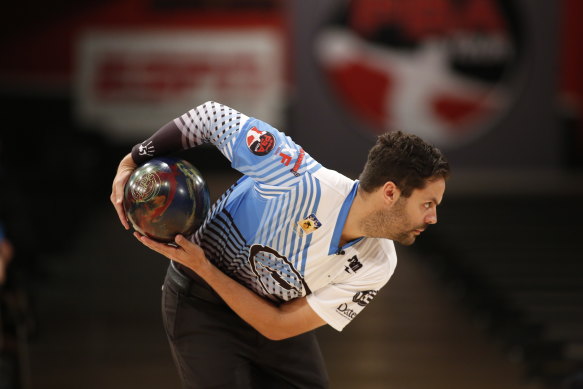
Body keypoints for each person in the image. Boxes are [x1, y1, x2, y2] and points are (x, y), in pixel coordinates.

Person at [110, 101, 449, 388]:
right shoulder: (297, 177)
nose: (433, 218)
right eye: (427, 204)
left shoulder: (379, 263)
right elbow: (211, 117)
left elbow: (278, 326)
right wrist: (134, 159)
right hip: (201, 306)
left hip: (267, 314)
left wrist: (205, 267)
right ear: (390, 193)